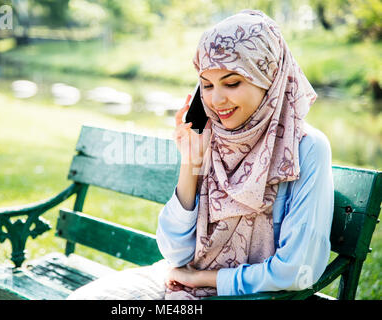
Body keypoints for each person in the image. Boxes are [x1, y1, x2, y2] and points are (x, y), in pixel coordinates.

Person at [67, 9, 334, 300]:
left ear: (269, 79)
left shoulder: (305, 148)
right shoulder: (211, 137)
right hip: (176, 280)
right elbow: (175, 252)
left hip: (245, 294)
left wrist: (203, 279)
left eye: (232, 83)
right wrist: (190, 162)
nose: (216, 100)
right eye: (206, 85)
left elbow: (297, 269)